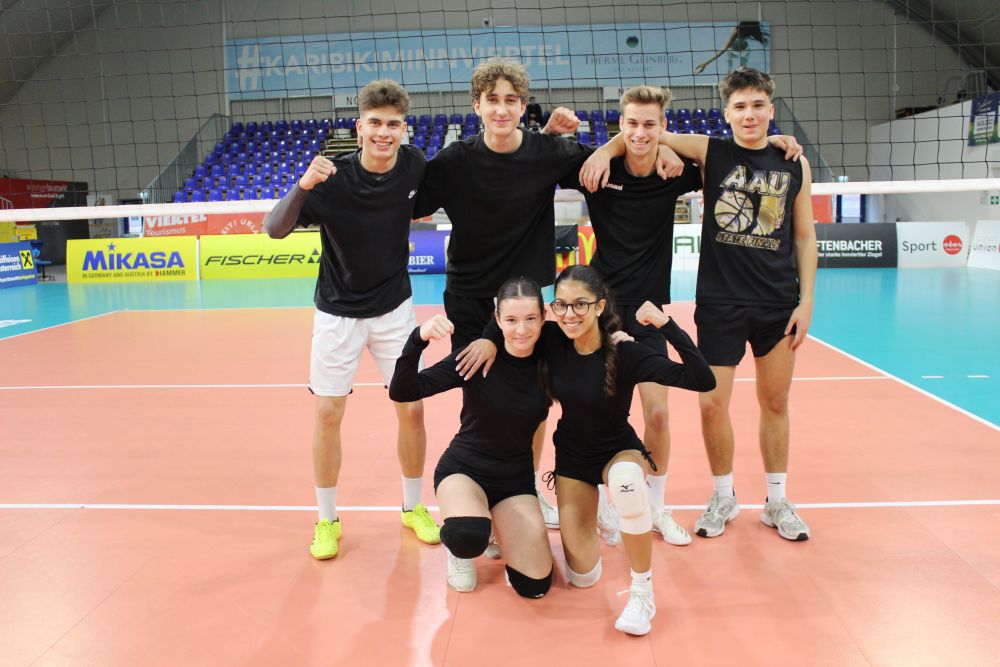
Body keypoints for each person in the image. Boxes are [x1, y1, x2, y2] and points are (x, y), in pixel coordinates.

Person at [591, 67, 816, 541]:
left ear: (771, 111)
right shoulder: (711, 152)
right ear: (726, 113)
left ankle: (777, 500)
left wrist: (807, 300)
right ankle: (723, 495)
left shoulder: (793, 160)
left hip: (778, 301)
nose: (749, 114)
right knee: (712, 406)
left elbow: (804, 233)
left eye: (758, 106)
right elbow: (646, 134)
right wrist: (613, 144)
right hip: (719, 302)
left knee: (775, 400)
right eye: (740, 106)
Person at [413, 58, 613, 529]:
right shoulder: (454, 160)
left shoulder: (547, 152)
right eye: (492, 101)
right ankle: (476, 489)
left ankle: (522, 483)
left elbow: (605, 159)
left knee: (534, 396)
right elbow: (410, 203)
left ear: (523, 106)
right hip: (470, 297)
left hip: (526, 302)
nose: (501, 110)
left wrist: (629, 144)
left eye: (511, 100)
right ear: (476, 105)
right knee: (479, 398)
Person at [263, 79, 440, 560]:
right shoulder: (331, 178)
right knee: (327, 413)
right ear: (359, 126)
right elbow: (274, 229)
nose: (385, 133)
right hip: (337, 312)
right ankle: (327, 520)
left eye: (394, 125)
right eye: (376, 123)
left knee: (413, 408)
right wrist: (303, 184)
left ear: (404, 129)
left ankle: (412, 507)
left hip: (394, 310)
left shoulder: (415, 164)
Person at [487, 265, 716, 635]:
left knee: (627, 483)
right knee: (584, 577)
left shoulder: (625, 351)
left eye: (580, 304)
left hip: (616, 451)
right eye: (561, 306)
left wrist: (666, 325)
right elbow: (511, 324)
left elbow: (702, 377)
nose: (570, 314)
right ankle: (602, 515)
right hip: (573, 460)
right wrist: (485, 338)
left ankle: (643, 592)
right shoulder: (551, 339)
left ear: (599, 306)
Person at [557, 85, 703, 547]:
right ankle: (606, 504)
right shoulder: (598, 170)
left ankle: (656, 506)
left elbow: (739, 156)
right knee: (593, 411)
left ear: (662, 127)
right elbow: (536, 160)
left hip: (649, 314)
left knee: (657, 415)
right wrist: (605, 148)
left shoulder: (676, 172)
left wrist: (782, 145)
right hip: (600, 313)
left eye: (650, 124)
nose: (640, 133)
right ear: (620, 125)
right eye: (631, 124)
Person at [388, 277, 555, 597]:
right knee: (468, 535)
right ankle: (462, 547)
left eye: (530, 319)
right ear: (497, 320)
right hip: (465, 470)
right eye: (511, 320)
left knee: (534, 586)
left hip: (514, 481)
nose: (521, 329)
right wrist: (418, 339)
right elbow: (403, 390)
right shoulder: (477, 358)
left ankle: (498, 526)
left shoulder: (552, 359)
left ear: (543, 318)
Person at [694, 21, 769, 75]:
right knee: (743, 67)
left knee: (730, 59)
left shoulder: (736, 31)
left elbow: (723, 50)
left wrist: (705, 63)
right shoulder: (750, 31)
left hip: (734, 51)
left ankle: (729, 72)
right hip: (745, 50)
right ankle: (738, 73)